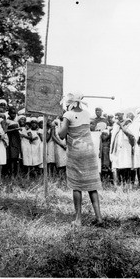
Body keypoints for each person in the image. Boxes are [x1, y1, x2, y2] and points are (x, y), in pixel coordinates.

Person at [59, 92, 103, 227]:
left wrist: (60, 122)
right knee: (91, 185)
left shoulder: (68, 115)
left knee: (76, 186)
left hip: (77, 152)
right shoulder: (86, 113)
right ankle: (99, 217)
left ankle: (78, 219)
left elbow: (61, 135)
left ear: (71, 103)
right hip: (89, 151)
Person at [110, 111, 134, 186]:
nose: (117, 117)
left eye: (119, 115)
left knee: (126, 164)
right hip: (117, 147)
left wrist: (120, 124)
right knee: (117, 165)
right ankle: (118, 183)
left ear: (123, 115)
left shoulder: (128, 122)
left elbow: (130, 134)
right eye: (116, 116)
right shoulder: (115, 125)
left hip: (126, 145)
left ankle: (127, 182)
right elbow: (113, 136)